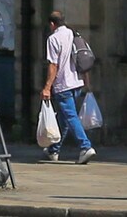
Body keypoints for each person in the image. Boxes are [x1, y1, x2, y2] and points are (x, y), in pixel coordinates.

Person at [40, 9, 95, 163]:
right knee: (65, 118)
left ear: (52, 24)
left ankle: (85, 147)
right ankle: (53, 150)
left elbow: (53, 65)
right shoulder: (74, 34)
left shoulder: (53, 39)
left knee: (70, 117)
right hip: (76, 83)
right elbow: (83, 59)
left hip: (62, 85)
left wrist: (47, 87)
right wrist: (87, 81)